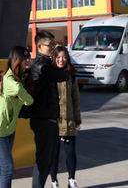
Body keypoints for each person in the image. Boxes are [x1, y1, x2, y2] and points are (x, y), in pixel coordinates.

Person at [0, 46, 35, 188]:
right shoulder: (13, 82)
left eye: (29, 58)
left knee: (0, 165)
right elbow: (29, 101)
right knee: (7, 168)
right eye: (25, 59)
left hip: (9, 126)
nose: (28, 61)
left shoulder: (17, 75)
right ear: (17, 60)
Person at [29, 31, 69, 188]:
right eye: (50, 45)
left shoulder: (45, 64)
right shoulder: (41, 65)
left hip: (47, 117)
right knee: (44, 160)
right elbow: (62, 75)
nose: (53, 48)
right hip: (43, 119)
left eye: (54, 44)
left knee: (47, 159)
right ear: (39, 46)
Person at [49, 46, 81, 188]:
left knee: (70, 153)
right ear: (54, 58)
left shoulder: (71, 75)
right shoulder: (50, 74)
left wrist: (77, 119)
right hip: (54, 121)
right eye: (58, 57)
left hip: (68, 120)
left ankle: (71, 180)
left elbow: (76, 98)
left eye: (64, 57)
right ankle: (54, 181)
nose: (61, 60)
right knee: (54, 153)